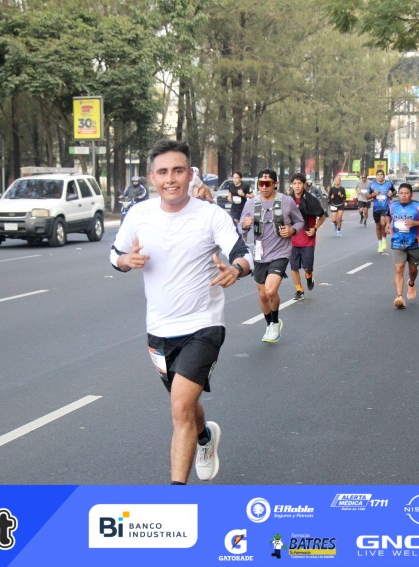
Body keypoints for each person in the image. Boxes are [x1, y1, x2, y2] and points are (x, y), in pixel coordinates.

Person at [110, 140, 252, 484]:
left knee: (179, 408)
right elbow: (115, 255)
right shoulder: (139, 214)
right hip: (159, 330)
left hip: (203, 325)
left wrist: (236, 269)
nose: (170, 179)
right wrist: (126, 260)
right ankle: (205, 437)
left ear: (190, 174)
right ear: (152, 177)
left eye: (178, 170)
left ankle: (175, 496)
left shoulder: (210, 215)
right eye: (163, 172)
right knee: (184, 405)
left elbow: (243, 253)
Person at [239, 168, 304, 342]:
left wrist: (291, 230)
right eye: (261, 183)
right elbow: (240, 228)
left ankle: (275, 323)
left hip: (280, 252)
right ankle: (270, 324)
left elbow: (300, 221)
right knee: (262, 294)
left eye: (268, 183)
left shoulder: (286, 201)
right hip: (260, 254)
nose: (264, 187)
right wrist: (244, 225)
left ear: (275, 184)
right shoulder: (251, 203)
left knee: (270, 290)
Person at [388, 183, 419, 308]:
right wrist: (387, 224)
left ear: (411, 194)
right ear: (398, 194)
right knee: (399, 268)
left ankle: (411, 283)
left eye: (406, 193)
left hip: (414, 242)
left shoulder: (418, 206)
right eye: (401, 193)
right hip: (397, 242)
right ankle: (399, 296)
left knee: (413, 270)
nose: (403, 196)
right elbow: (387, 215)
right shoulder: (393, 206)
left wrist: (415, 223)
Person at [288, 172, 326, 300]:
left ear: (304, 184)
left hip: (307, 239)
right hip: (292, 239)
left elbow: (322, 216)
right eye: (295, 183)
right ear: (291, 185)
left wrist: (315, 228)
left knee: (307, 267)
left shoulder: (311, 200)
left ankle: (309, 276)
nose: (297, 186)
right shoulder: (288, 200)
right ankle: (299, 289)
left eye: (299, 183)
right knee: (293, 266)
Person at [368, 169, 395, 253]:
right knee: (378, 226)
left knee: (383, 223)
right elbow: (367, 196)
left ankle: (384, 239)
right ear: (376, 176)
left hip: (386, 207)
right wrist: (373, 194)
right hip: (376, 208)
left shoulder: (389, 183)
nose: (380, 176)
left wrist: (391, 194)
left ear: (384, 176)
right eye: (378, 175)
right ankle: (380, 243)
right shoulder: (372, 184)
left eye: (381, 174)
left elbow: (394, 191)